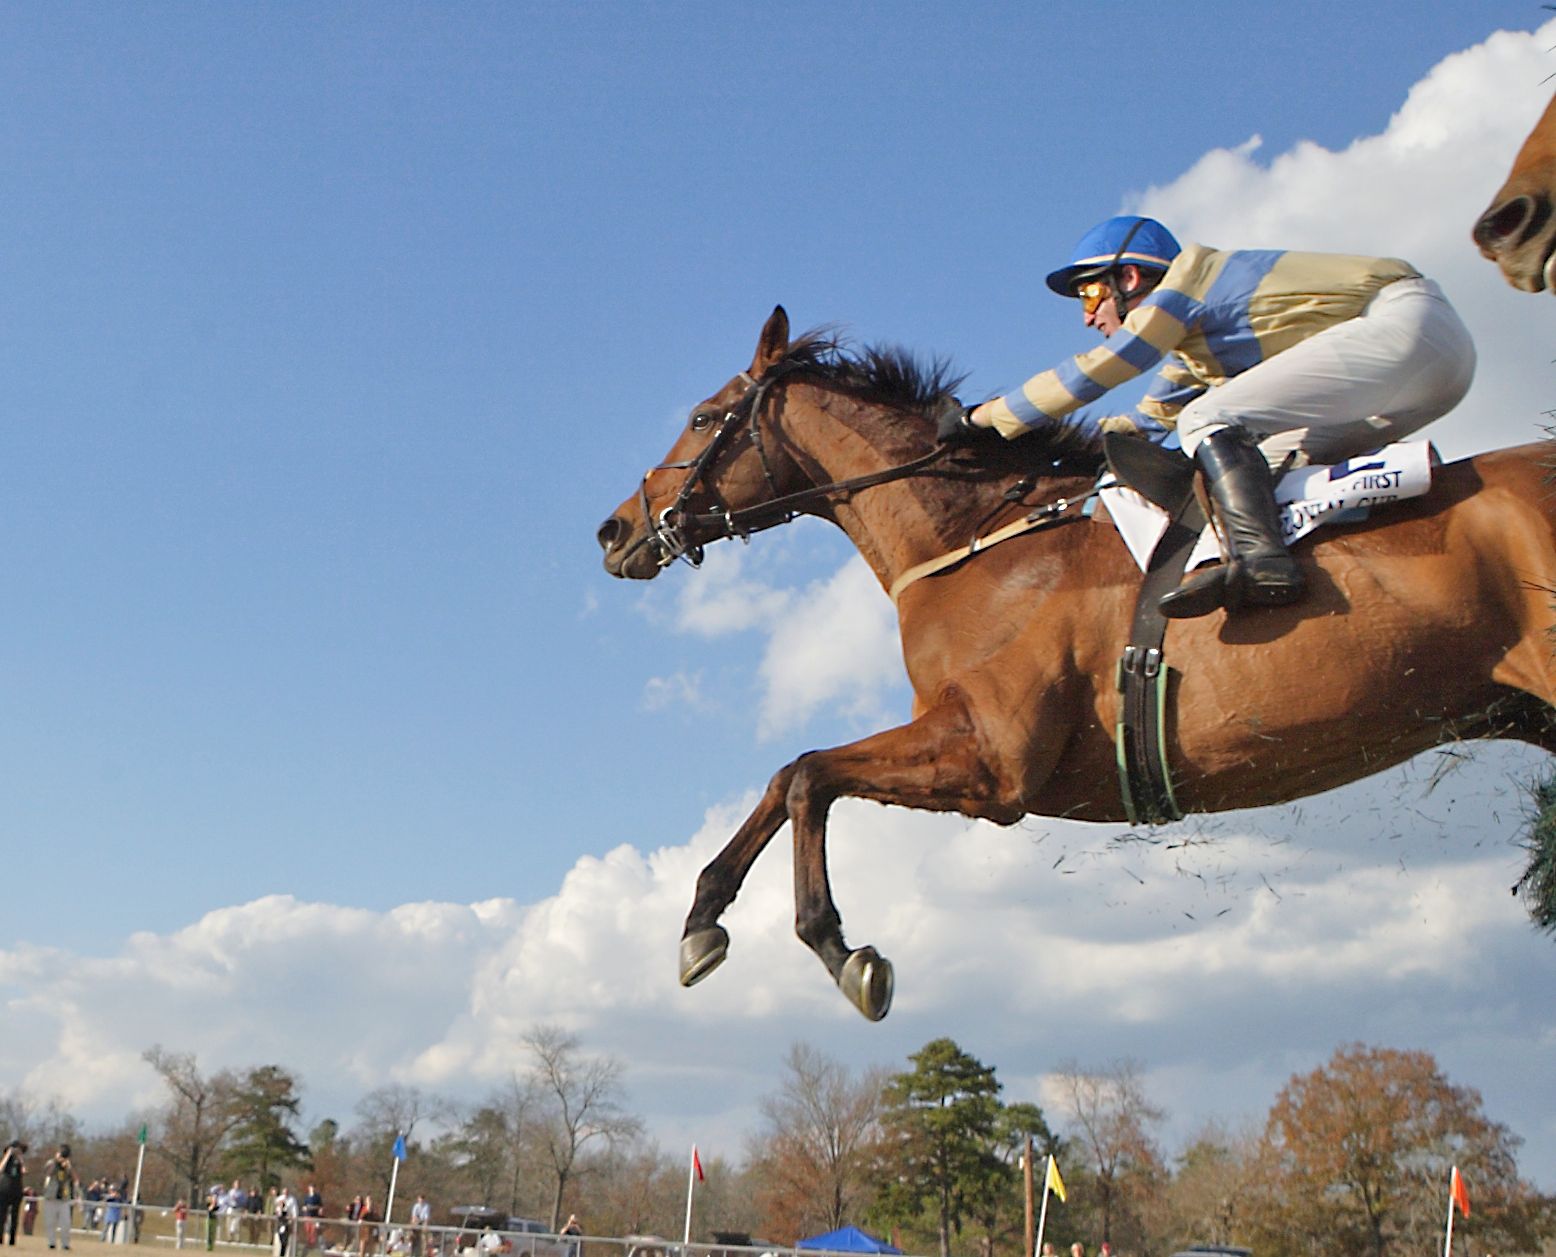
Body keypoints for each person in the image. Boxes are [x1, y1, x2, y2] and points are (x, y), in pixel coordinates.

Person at [943, 215, 1476, 618]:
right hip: (1435, 370)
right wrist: (1039, 447)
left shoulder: (1185, 288)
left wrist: (983, 419)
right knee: (1266, 460)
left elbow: (1101, 370)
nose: (1087, 316)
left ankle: (1263, 565)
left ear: (1129, 277)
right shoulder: (1196, 343)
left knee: (1208, 418)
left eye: (1089, 292)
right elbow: (1145, 424)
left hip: (1407, 326)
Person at [39, 1144, 76, 1251]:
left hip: (64, 1198)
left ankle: (65, 1244)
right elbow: (48, 1173)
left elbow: (75, 1179)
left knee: (66, 1223)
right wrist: (56, 1162)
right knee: (50, 1222)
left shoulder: (68, 1166)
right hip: (51, 1196)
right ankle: (51, 1243)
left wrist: (69, 1167)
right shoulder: (51, 1163)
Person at [0, 1141, 25, 1246]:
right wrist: (8, 1155)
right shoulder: (6, 1161)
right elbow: (0, 1169)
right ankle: (0, 1237)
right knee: (2, 1215)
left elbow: (24, 1171)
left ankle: (12, 1239)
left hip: (16, 1191)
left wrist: (20, 1157)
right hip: (4, 1190)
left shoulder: (19, 1161)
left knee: (14, 1217)